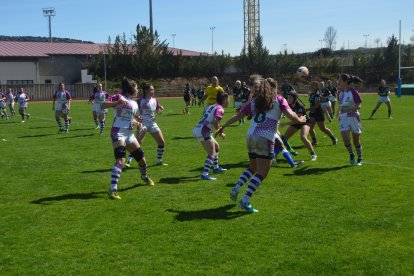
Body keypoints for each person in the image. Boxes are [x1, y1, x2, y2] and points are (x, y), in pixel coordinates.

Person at [216, 77, 306, 213]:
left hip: (250, 136)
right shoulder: (279, 99)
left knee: (252, 167)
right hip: (264, 137)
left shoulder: (254, 101)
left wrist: (223, 126)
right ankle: (245, 200)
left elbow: (238, 116)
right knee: (263, 172)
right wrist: (301, 119)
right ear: (274, 88)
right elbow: (291, 115)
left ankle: (237, 188)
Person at [101, 78, 154, 200]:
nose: (137, 90)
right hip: (118, 132)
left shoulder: (134, 103)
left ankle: (144, 177)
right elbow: (103, 104)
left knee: (142, 160)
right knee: (121, 160)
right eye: (136, 88)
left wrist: (137, 123)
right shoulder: (119, 96)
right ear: (131, 88)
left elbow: (130, 119)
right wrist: (115, 103)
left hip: (129, 134)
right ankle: (113, 189)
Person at [125, 83, 167, 167]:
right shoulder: (140, 101)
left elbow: (158, 111)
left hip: (152, 123)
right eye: (151, 89)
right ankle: (128, 161)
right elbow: (133, 111)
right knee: (138, 142)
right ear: (146, 91)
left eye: (153, 89)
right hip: (143, 123)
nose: (153, 91)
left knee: (161, 142)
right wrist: (137, 117)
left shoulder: (155, 100)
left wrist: (160, 109)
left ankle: (159, 160)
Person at [193, 91, 229, 180]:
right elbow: (215, 121)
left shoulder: (212, 106)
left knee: (217, 147)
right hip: (203, 130)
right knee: (211, 153)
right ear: (224, 100)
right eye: (228, 99)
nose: (229, 101)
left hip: (200, 128)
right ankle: (205, 174)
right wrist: (220, 132)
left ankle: (216, 168)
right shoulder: (220, 108)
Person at [280, 91, 317, 161]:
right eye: (288, 98)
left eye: (290, 98)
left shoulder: (300, 107)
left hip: (305, 122)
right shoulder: (288, 105)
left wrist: (285, 124)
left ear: (294, 99)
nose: (288, 99)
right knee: (284, 139)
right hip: (296, 122)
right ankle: (287, 151)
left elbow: (298, 120)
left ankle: (313, 154)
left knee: (303, 137)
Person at [337, 74, 364, 166]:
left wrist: (349, 110)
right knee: (345, 140)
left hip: (353, 118)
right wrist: (338, 114)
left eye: (340, 80)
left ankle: (360, 158)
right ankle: (351, 155)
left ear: (345, 81)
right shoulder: (339, 92)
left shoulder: (353, 92)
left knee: (356, 141)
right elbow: (340, 105)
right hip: (343, 118)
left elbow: (358, 105)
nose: (338, 82)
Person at [307, 81, 338, 146]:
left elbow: (317, 105)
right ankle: (314, 141)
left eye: (314, 85)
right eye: (312, 85)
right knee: (310, 128)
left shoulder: (317, 94)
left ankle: (334, 138)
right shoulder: (312, 93)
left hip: (318, 113)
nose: (312, 86)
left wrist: (307, 109)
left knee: (323, 128)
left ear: (317, 86)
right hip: (312, 113)